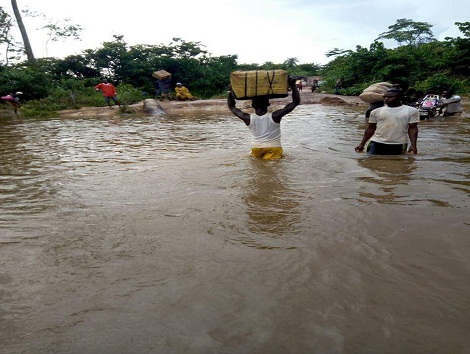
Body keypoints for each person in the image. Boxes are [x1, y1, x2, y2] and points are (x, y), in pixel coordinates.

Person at [227, 76, 301, 160]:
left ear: (253, 105)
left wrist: (230, 91)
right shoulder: (275, 116)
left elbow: (232, 107)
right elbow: (295, 102)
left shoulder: (247, 118)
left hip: (256, 148)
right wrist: (292, 84)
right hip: (273, 147)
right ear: (268, 104)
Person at [355, 88, 419, 155]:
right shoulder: (376, 111)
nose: (386, 99)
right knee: (370, 162)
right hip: (375, 142)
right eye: (384, 97)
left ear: (400, 98)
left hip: (398, 144)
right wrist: (362, 144)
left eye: (390, 97)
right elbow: (371, 128)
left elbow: (413, 128)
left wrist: (413, 145)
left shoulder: (411, 111)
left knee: (396, 164)